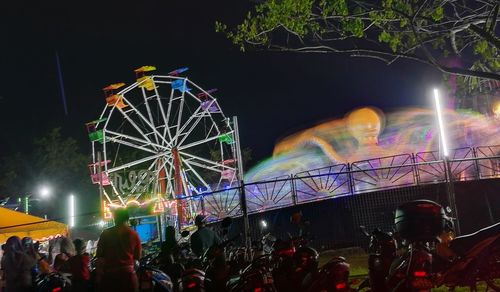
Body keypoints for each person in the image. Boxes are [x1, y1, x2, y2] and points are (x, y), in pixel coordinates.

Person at [96, 208, 141, 292]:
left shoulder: (105, 234)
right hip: (128, 277)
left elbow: (99, 257)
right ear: (127, 218)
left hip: (110, 278)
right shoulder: (134, 235)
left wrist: (99, 277)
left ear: (115, 218)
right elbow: (137, 258)